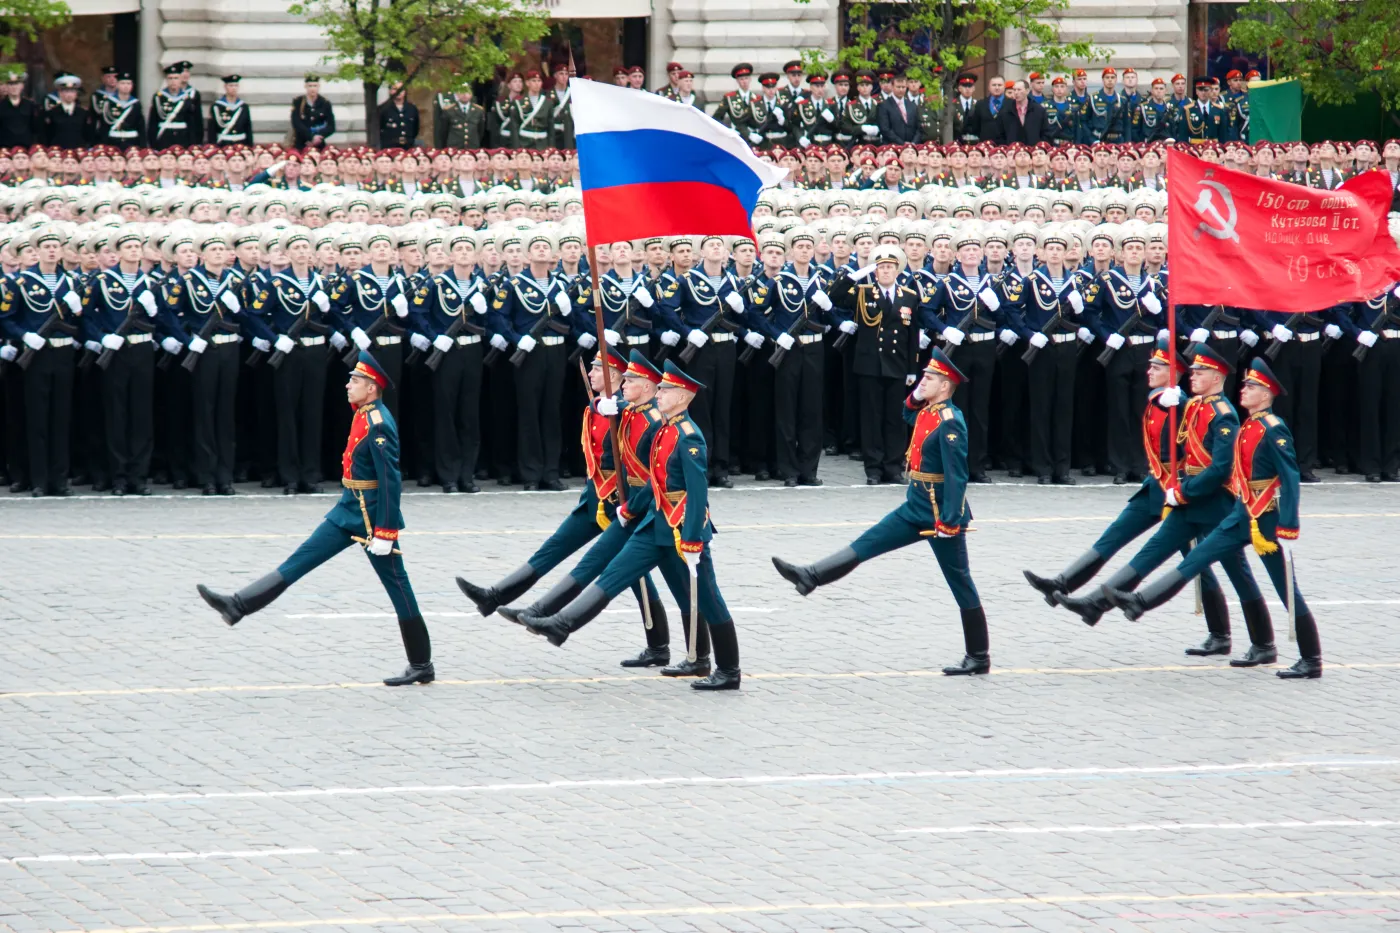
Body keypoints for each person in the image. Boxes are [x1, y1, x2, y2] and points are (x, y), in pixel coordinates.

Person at [197, 351, 434, 687]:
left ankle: (422, 663)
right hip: (348, 510)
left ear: (371, 388)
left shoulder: (379, 424)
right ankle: (238, 605)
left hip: (370, 520)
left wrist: (385, 531)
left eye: (355, 380)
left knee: (399, 587)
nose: (348, 384)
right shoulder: (364, 415)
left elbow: (390, 480)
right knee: (299, 561)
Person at [512, 360, 742, 691]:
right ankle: (563, 624)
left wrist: (692, 540)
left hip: (680, 530)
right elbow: (655, 483)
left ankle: (729, 670)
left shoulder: (689, 438)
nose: (659, 393)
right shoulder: (666, 430)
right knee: (614, 573)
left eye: (665, 389)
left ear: (681, 396)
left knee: (707, 598)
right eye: (658, 388)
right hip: (653, 523)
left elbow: (697, 493)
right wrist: (629, 509)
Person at [772, 348, 989, 675]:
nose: (923, 380)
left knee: (959, 580)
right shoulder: (929, 411)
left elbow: (957, 477)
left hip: (938, 513)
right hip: (915, 504)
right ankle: (811, 576)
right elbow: (906, 414)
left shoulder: (949, 421)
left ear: (945, 386)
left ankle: (979, 656)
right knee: (867, 543)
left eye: (929, 378)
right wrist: (916, 395)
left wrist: (950, 520)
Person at [1053, 346, 1273, 662]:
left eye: (1199, 372)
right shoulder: (1195, 406)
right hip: (1188, 499)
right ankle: (1095, 604)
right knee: (1151, 552)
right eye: (1192, 371)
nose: (1192, 375)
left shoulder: (1223, 415)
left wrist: (1183, 491)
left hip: (1216, 504)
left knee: (1237, 572)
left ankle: (1263, 644)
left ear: (1216, 376)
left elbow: (1221, 468)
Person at [1104, 360, 1322, 679]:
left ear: (1266, 394)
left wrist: (1289, 522)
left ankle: (1311, 659)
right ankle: (1140, 601)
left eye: (1251, 387)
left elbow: (1289, 478)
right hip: (1241, 511)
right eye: (1245, 385)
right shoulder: (1249, 425)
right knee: (1196, 559)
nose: (1244, 390)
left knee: (1286, 589)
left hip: (1265, 518)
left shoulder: (1274, 428)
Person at [80, 228, 166, 496]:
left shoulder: (150, 283)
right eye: (127, 248)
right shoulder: (102, 281)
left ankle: (138, 476)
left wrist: (155, 314)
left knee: (141, 414)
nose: (133, 251)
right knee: (116, 414)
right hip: (115, 352)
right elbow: (86, 317)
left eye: (136, 247)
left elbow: (165, 320)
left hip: (142, 350)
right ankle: (118, 475)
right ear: (116, 253)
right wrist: (102, 338)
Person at [0, 225, 83, 496]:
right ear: (36, 252)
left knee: (62, 416)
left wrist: (77, 310)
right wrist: (24, 335)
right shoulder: (19, 282)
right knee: (37, 418)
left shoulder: (71, 282)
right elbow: (6, 318)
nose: (51, 250)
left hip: (63, 353)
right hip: (36, 355)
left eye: (55, 246)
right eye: (45, 247)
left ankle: (59, 479)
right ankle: (38, 479)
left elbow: (81, 321)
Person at [830, 243, 918, 484]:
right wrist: (852, 278)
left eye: (890, 267)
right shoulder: (863, 292)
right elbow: (834, 297)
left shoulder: (908, 296)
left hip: (897, 365)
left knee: (895, 419)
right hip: (870, 365)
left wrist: (912, 368)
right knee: (871, 418)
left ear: (897, 270)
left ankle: (893, 466)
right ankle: (874, 469)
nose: (886, 271)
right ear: (875, 271)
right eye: (881, 267)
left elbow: (913, 335)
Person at [149, 63, 201, 150]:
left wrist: (193, 143)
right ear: (166, 80)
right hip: (163, 138)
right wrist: (153, 144)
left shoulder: (186, 98)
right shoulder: (159, 97)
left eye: (176, 78)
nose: (173, 81)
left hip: (182, 138)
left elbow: (192, 124)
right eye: (170, 78)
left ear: (180, 79)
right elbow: (153, 122)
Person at [42, 73, 88, 149]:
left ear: (76, 93)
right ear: (60, 93)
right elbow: (47, 135)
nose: (69, 94)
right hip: (58, 152)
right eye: (66, 91)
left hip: (78, 151)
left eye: (72, 91)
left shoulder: (83, 113)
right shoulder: (52, 113)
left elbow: (87, 134)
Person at [433, 85, 486, 149]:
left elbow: (480, 130)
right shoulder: (449, 110)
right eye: (461, 92)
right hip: (454, 146)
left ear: (471, 94)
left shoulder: (478, 110)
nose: (464, 95)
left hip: (472, 146)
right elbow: (444, 131)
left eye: (467, 92)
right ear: (457, 94)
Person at [291, 75, 336, 148]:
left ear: (318, 87)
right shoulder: (298, 102)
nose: (312, 89)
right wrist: (311, 137)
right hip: (301, 143)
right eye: (310, 86)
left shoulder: (325, 103)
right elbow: (296, 122)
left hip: (319, 143)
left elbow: (331, 126)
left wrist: (319, 137)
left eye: (315, 86)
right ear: (305, 86)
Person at [0, 67, 41, 148]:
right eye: (11, 84)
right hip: (5, 150)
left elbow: (36, 128)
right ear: (6, 86)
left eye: (17, 84)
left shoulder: (31, 105)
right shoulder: (1, 106)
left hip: (26, 149)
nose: (14, 87)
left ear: (22, 86)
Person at [208, 74, 253, 146]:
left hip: (240, 143)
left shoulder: (243, 106)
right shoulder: (217, 106)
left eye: (236, 85)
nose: (234, 88)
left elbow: (248, 129)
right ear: (225, 87)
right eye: (231, 85)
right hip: (223, 143)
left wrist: (250, 146)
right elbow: (212, 130)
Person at [876, 73, 921, 145]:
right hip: (892, 146)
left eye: (903, 87)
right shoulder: (884, 105)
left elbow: (919, 127)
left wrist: (914, 142)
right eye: (898, 87)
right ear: (892, 86)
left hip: (911, 147)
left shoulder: (912, 105)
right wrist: (902, 143)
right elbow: (885, 129)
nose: (901, 90)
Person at [998, 79, 1045, 145]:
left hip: (1033, 151)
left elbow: (1045, 133)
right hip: (1012, 151)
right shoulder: (1005, 110)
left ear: (1027, 91)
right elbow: (1000, 134)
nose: (1016, 93)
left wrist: (1039, 148)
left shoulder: (1039, 110)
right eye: (1014, 90)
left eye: (1019, 90)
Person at [970, 75, 1007, 144]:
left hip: (1006, 146)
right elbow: (976, 127)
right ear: (989, 87)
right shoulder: (980, 104)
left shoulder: (1012, 104)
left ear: (1004, 87)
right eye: (994, 85)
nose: (997, 88)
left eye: (999, 85)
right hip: (985, 145)